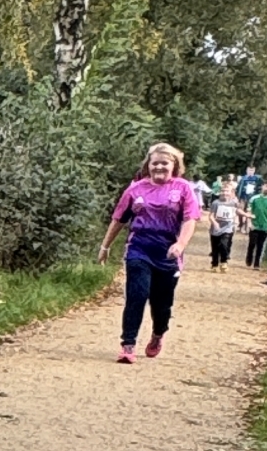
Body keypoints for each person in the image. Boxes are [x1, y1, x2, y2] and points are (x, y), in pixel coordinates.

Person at [98, 142, 200, 362]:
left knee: (161, 304)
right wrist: (105, 246)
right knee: (137, 295)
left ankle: (158, 333)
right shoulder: (135, 189)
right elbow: (119, 219)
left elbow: (190, 219)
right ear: (148, 165)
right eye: (155, 163)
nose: (159, 167)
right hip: (139, 249)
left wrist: (180, 244)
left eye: (165, 163)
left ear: (174, 165)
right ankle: (128, 345)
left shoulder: (183, 188)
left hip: (168, 254)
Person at [208, 182, 240, 270]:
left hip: (227, 227)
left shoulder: (233, 203)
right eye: (223, 191)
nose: (224, 193)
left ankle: (224, 262)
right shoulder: (216, 203)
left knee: (224, 245)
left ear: (231, 192)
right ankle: (214, 264)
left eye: (227, 191)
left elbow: (237, 212)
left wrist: (239, 220)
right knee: (215, 247)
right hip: (216, 229)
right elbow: (211, 216)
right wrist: (215, 223)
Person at [249, 182, 267, 270]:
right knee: (252, 243)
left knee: (261, 245)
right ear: (262, 186)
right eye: (266, 186)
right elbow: (249, 211)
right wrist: (249, 223)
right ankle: (249, 257)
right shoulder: (254, 198)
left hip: (265, 226)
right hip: (255, 224)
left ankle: (257, 264)